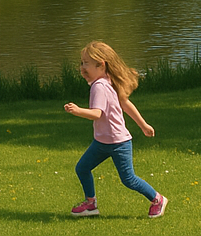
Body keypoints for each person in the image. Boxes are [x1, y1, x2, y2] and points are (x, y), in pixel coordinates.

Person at [63, 40, 167, 219]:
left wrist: (78, 110)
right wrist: (143, 125)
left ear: (101, 64)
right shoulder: (106, 81)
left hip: (118, 143)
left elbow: (96, 114)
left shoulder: (100, 87)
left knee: (129, 179)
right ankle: (90, 204)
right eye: (81, 63)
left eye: (86, 63)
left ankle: (158, 199)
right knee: (82, 168)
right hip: (102, 142)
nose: (82, 67)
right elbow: (125, 103)